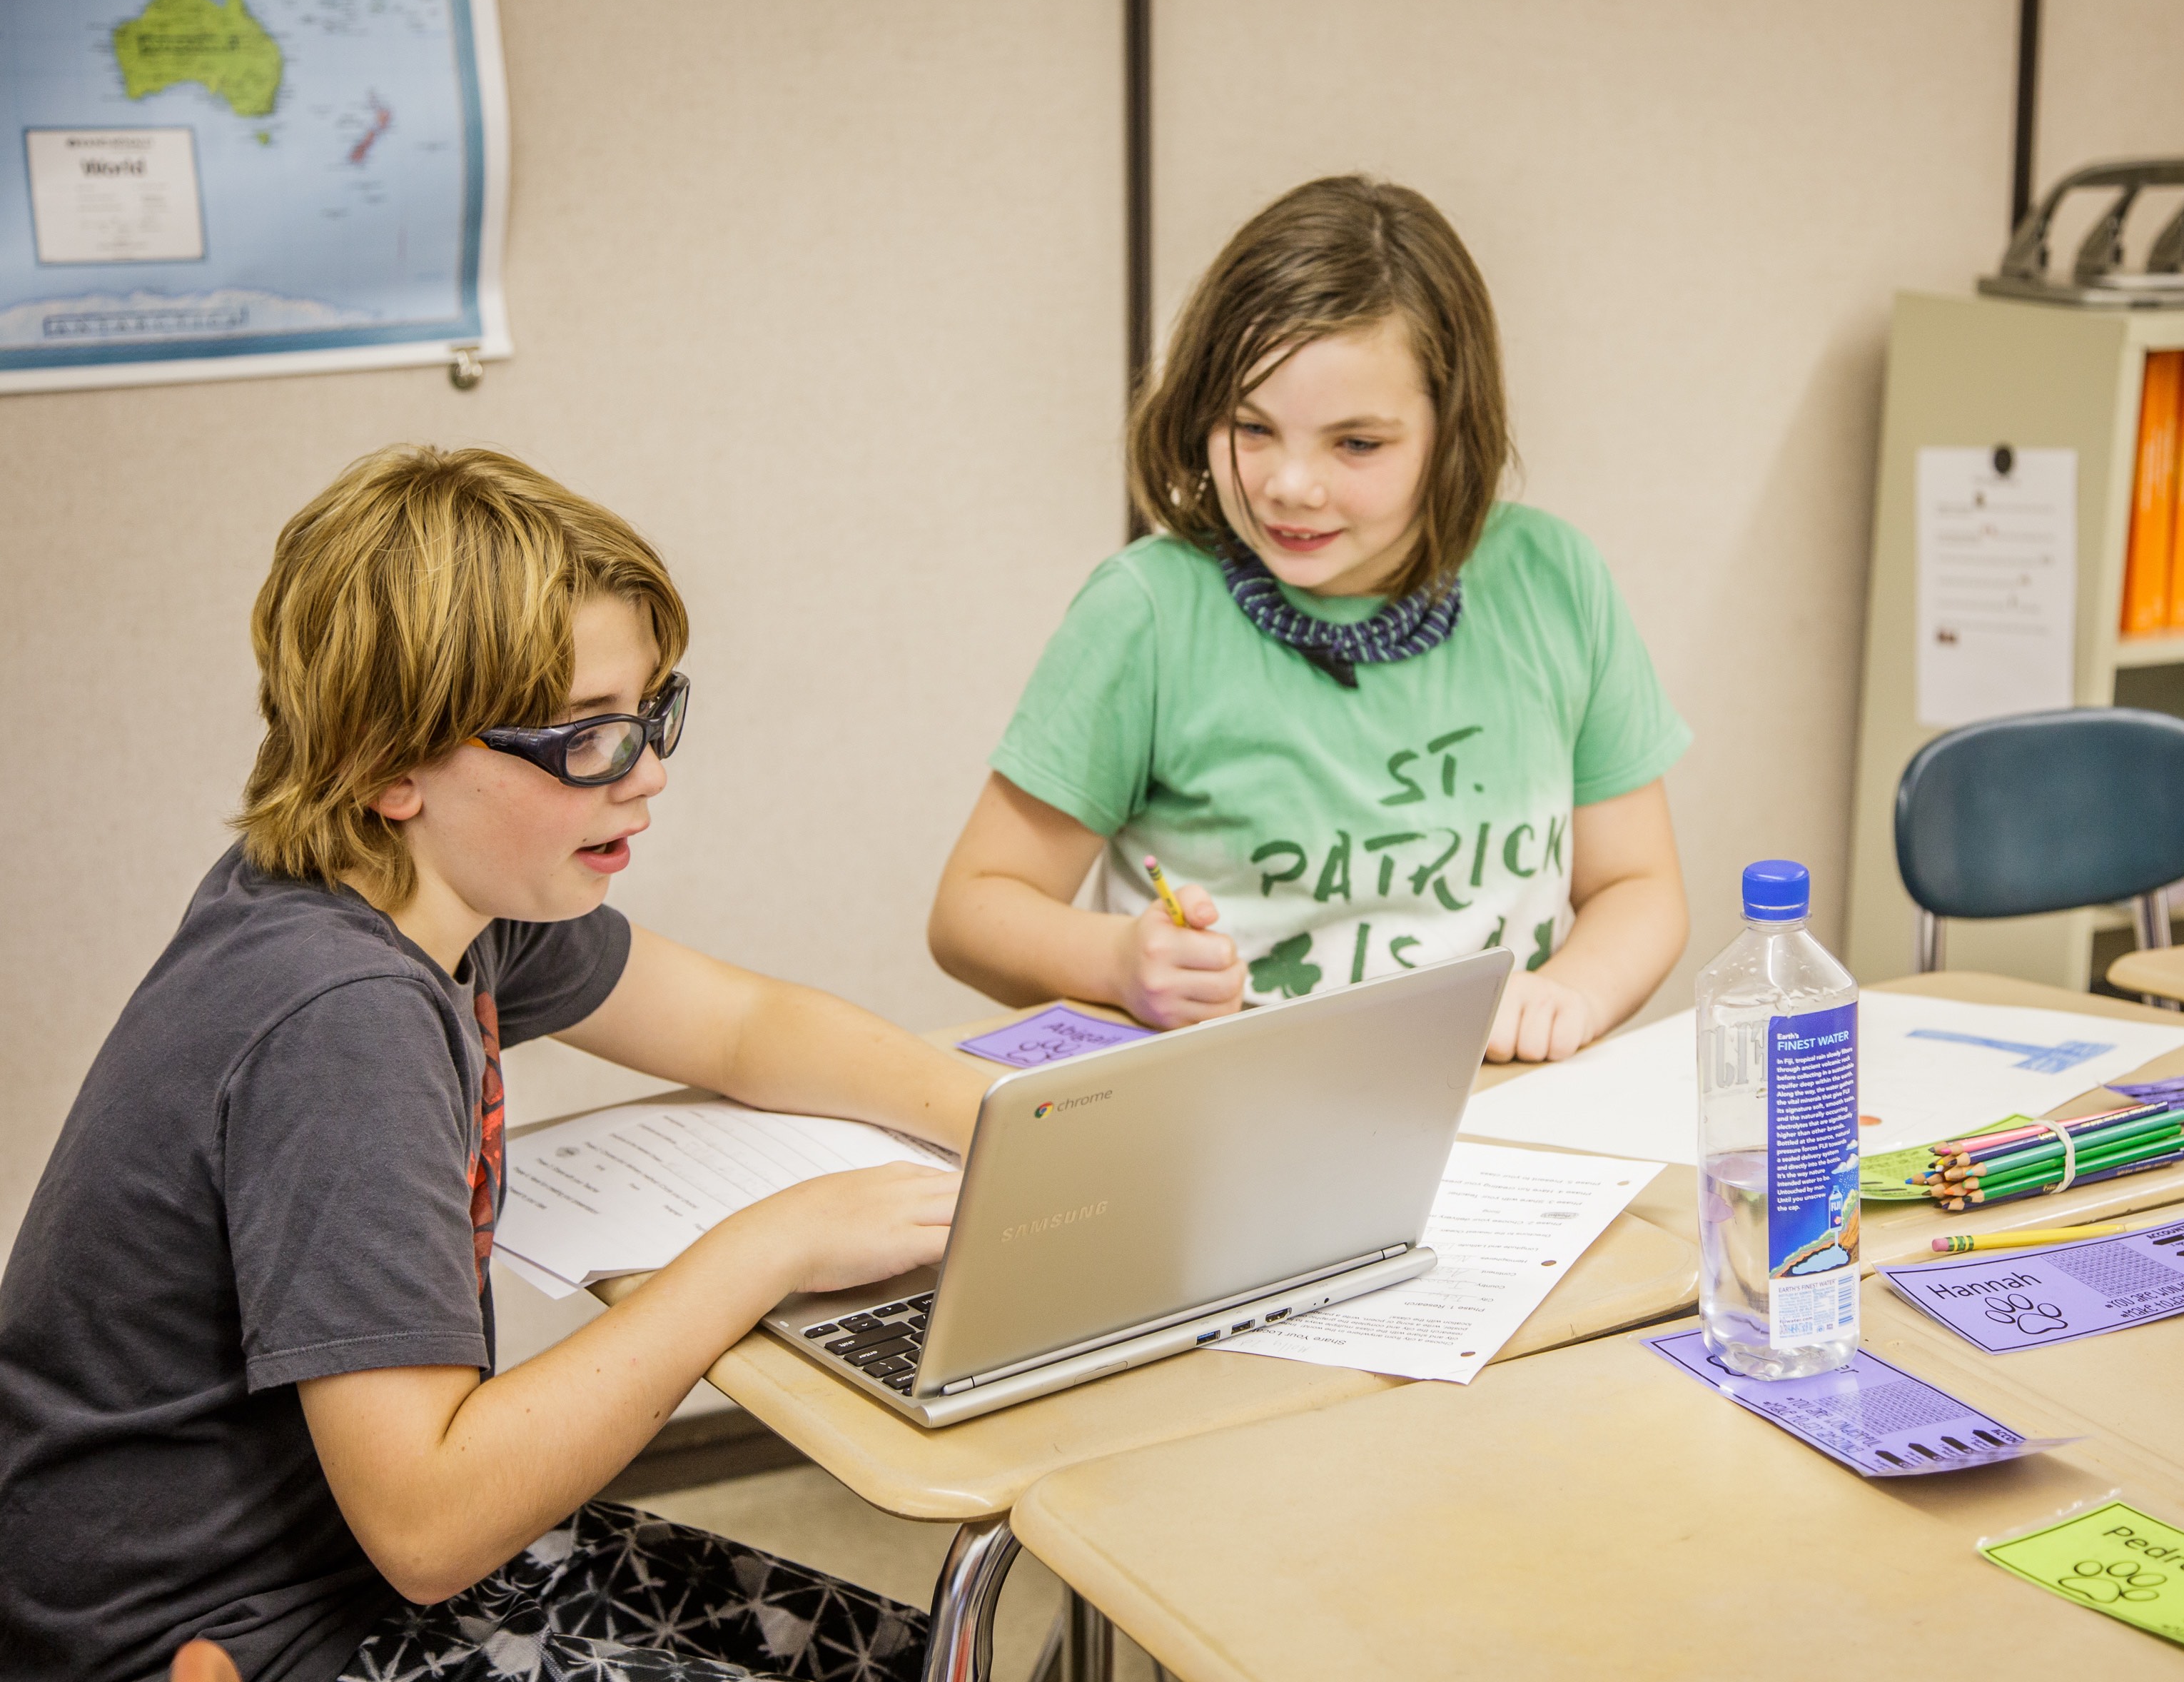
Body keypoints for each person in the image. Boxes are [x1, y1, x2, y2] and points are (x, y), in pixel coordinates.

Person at [0, 447, 982, 1682]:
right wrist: (768, 1246)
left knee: (915, 1657)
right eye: (588, 739)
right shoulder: (341, 1016)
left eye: (652, 715)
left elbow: (741, 1026)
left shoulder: (432, 898)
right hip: (222, 1638)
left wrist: (999, 1119)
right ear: (387, 767)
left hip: (325, 1570)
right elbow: (429, 1525)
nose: (651, 771)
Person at [930, 174, 1691, 1063]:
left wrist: (1569, 996)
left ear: (1454, 432)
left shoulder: (1555, 581)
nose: (1291, 485)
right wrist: (1117, 962)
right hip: (1236, 1119)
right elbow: (972, 909)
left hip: (1496, 1106)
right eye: (1252, 429)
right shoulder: (1148, 614)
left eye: (1357, 443)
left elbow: (1638, 885)